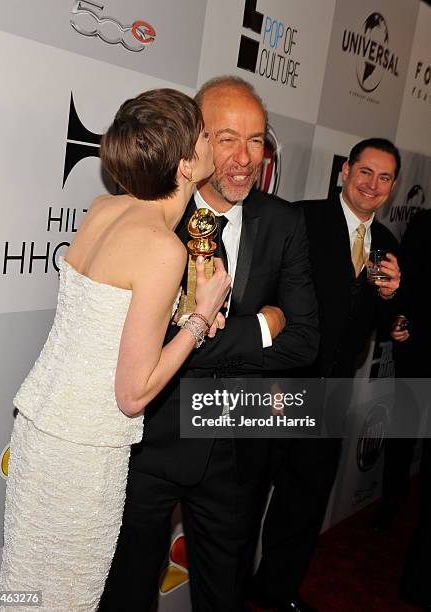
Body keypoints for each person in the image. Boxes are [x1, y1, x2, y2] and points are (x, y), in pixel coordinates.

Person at [0, 88, 231, 611]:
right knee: (67, 598)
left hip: (41, 428)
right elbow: (132, 394)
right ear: (188, 163)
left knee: (25, 588)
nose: (214, 140)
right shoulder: (163, 249)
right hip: (83, 451)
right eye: (206, 134)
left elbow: (107, 314)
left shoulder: (104, 208)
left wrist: (181, 313)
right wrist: (197, 318)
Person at [99, 76, 319, 612]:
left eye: (257, 140)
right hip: (147, 442)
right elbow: (134, 346)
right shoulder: (153, 216)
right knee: (127, 593)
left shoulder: (284, 221)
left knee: (225, 596)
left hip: (236, 448)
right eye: (227, 138)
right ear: (196, 142)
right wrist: (262, 328)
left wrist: (192, 335)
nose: (245, 158)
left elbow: (307, 342)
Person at [250, 138, 402, 612]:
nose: (372, 184)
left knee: (304, 502)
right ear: (345, 172)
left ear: (393, 186)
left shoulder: (390, 247)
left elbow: (377, 325)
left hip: (333, 394)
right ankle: (227, 595)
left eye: (384, 177)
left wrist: (392, 299)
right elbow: (261, 292)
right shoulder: (300, 218)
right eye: (365, 172)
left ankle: (275, 593)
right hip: (277, 384)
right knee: (246, 495)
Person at [383, 209, 431, 608]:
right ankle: (390, 501)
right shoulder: (426, 224)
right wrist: (401, 322)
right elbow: (407, 284)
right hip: (419, 349)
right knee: (403, 430)